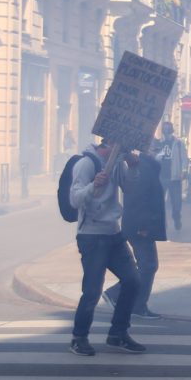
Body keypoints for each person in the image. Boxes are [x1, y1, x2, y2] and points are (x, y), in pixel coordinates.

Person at [69, 140, 145, 356]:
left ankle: (118, 333)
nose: (123, 149)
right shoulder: (86, 163)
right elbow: (75, 199)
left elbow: (130, 188)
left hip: (114, 233)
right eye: (119, 146)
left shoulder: (118, 162)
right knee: (92, 290)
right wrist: (95, 185)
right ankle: (79, 337)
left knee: (133, 281)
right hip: (92, 236)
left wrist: (133, 167)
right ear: (108, 143)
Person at [104, 152, 167, 320]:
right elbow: (138, 199)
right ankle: (125, 298)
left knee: (147, 265)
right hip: (140, 226)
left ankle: (130, 300)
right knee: (148, 265)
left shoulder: (148, 167)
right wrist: (143, 225)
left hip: (141, 225)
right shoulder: (143, 167)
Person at [156, 121, 188, 232]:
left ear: (172, 130)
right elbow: (154, 157)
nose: (166, 131)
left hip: (174, 177)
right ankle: (162, 223)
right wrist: (158, 156)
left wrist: (184, 170)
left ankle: (176, 217)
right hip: (161, 177)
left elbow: (184, 158)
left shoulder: (178, 143)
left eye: (168, 129)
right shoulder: (158, 143)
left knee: (176, 203)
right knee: (159, 203)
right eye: (164, 129)